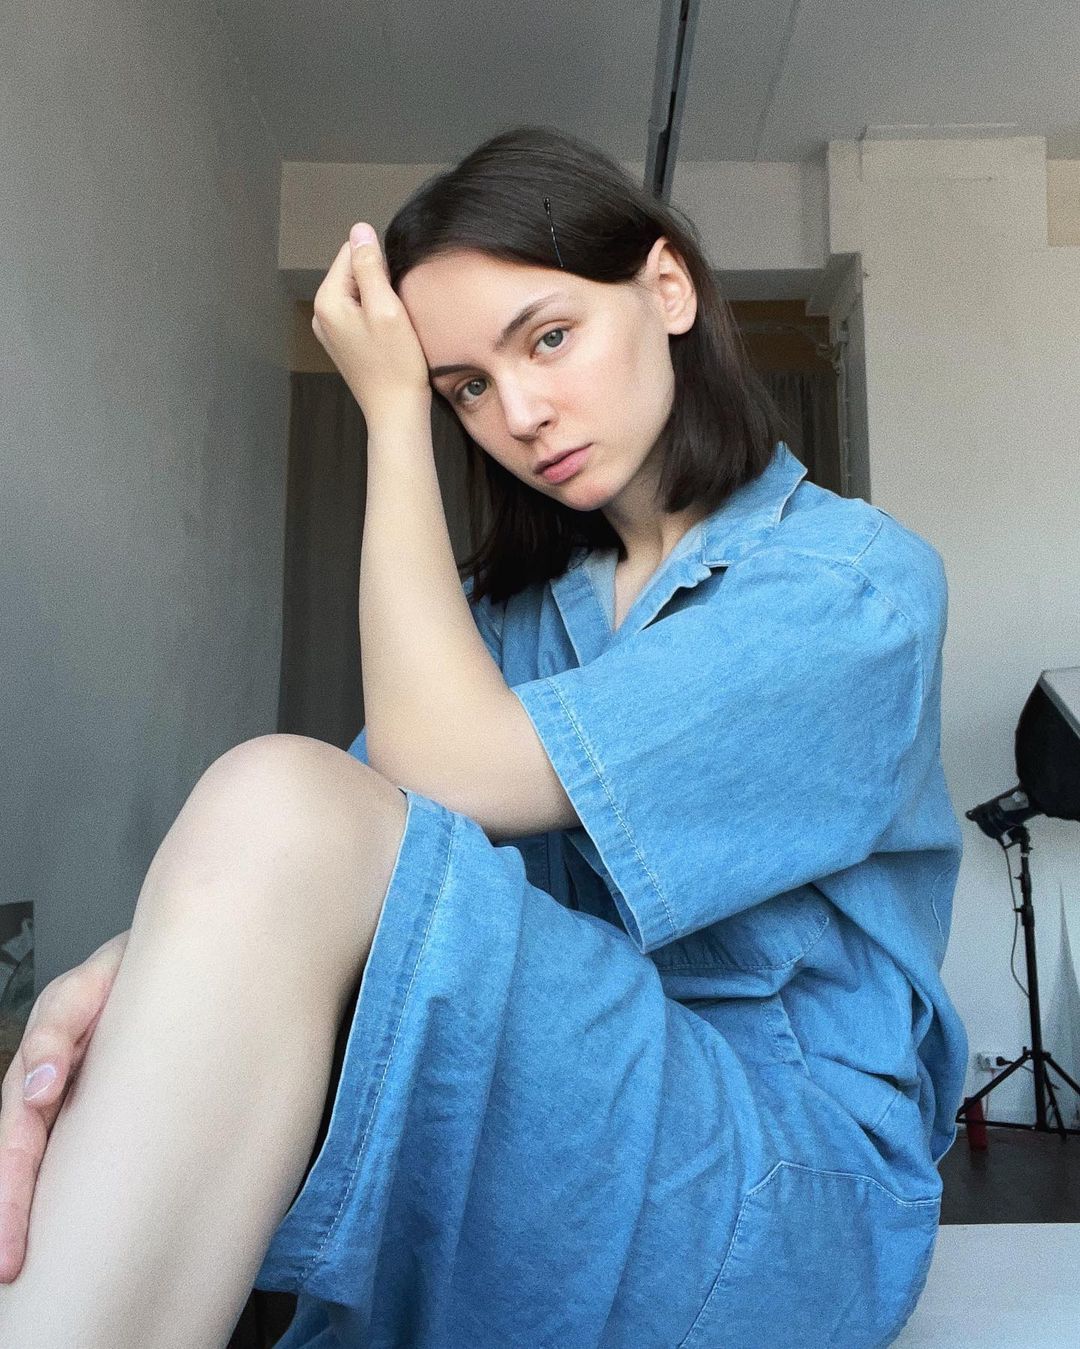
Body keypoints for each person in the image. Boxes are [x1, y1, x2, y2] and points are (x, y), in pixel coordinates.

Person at [0, 125, 968, 1347]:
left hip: (783, 1195)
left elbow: (426, 779)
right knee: (257, 839)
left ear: (668, 288)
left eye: (548, 337)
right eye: (463, 385)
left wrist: (391, 417)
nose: (518, 413)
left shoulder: (852, 589)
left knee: (278, 794)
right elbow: (323, 856)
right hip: (537, 1157)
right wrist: (123, 976)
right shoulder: (508, 621)